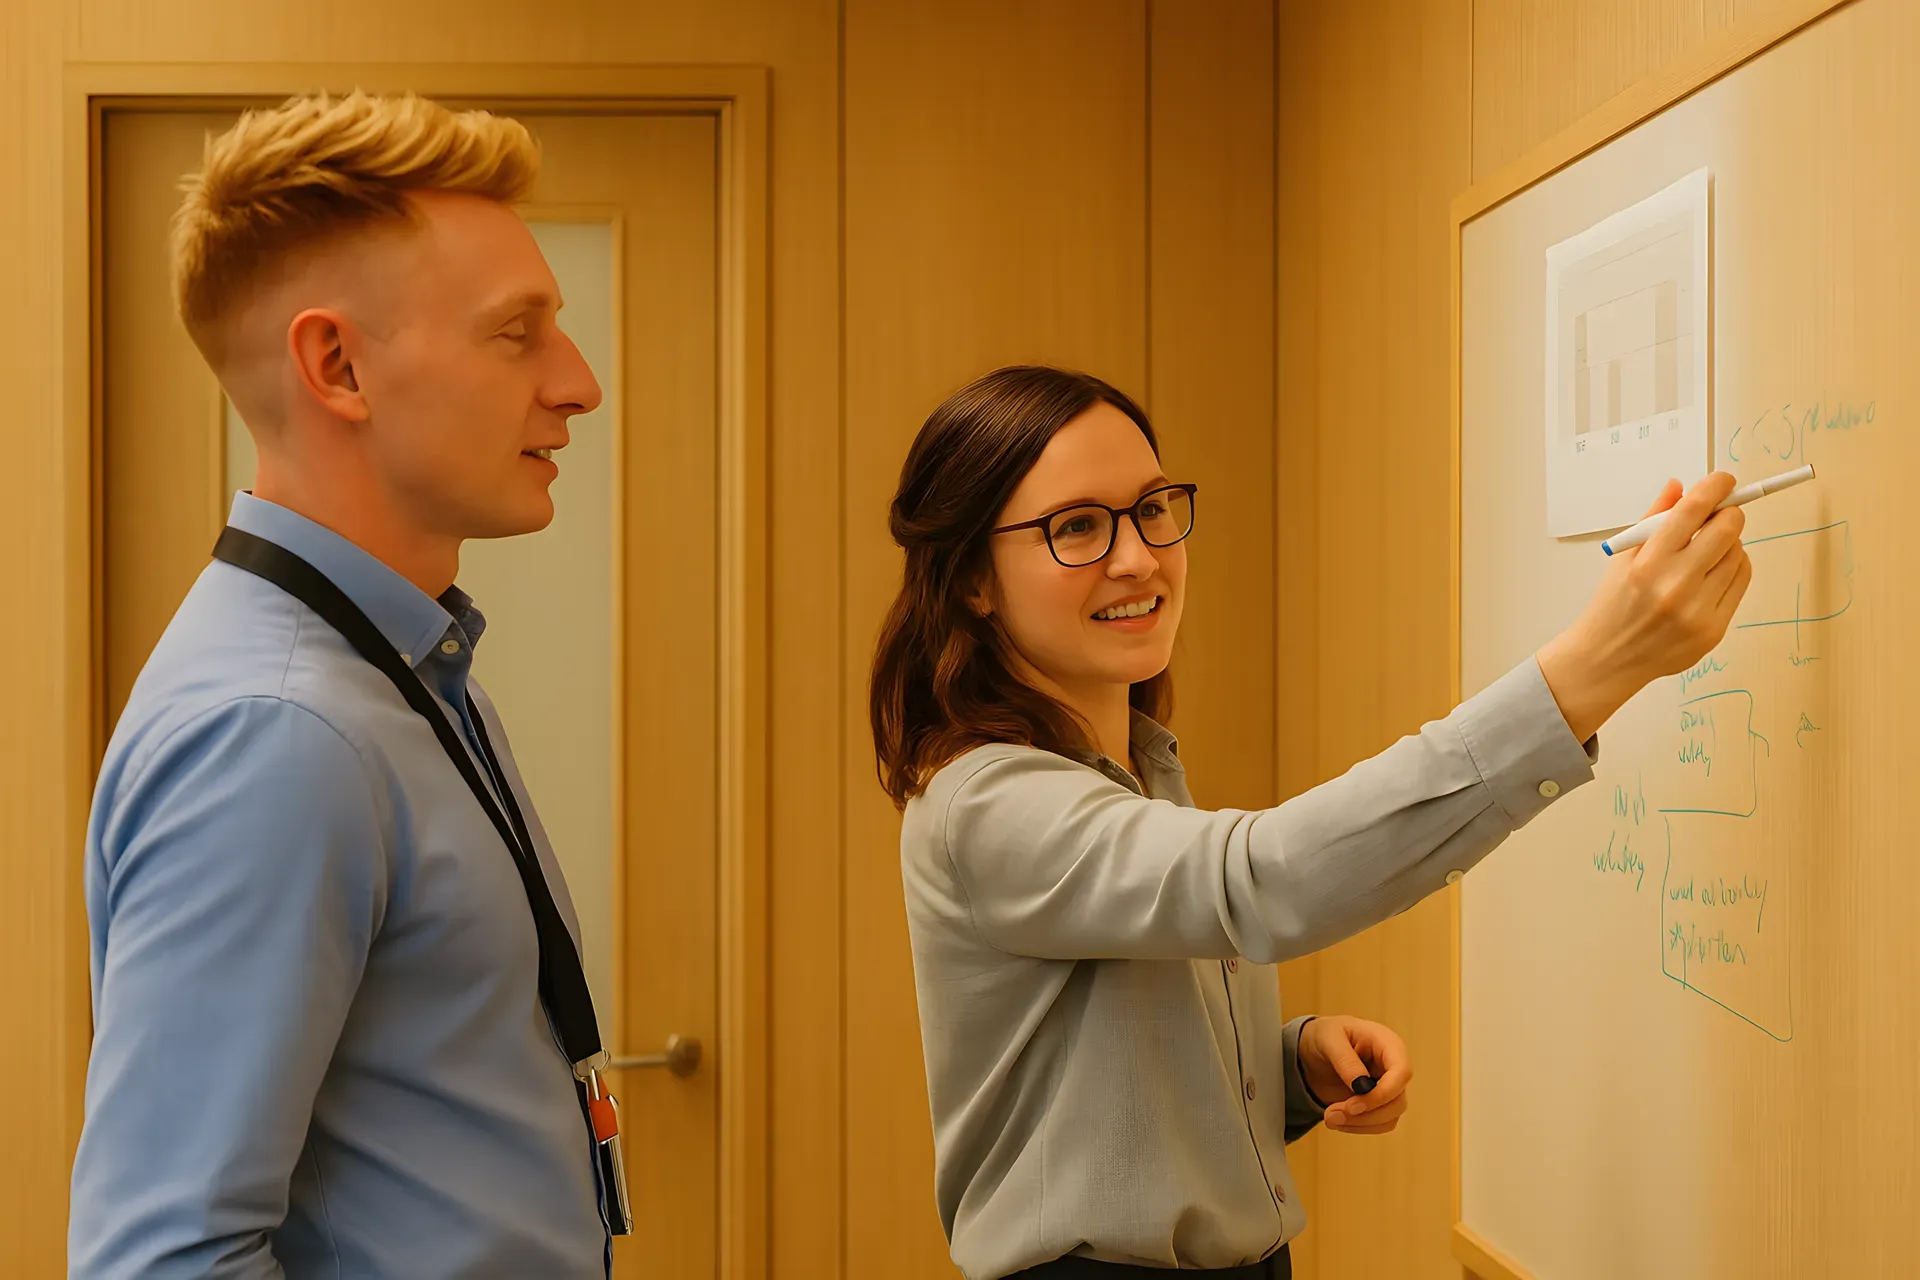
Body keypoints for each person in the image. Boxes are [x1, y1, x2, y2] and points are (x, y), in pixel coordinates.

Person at [869, 365, 1751, 1279]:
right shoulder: (986, 801)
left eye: (1152, 509)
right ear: (972, 579)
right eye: (1078, 527)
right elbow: (1257, 882)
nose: (1137, 557)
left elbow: (1095, 1075)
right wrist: (1592, 669)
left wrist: (1286, 1066)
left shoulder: (1134, 771)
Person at [70, 92, 620, 1278]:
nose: (578, 384)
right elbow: (164, 1258)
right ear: (337, 365)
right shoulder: (277, 730)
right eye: (516, 332)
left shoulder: (398, 670)